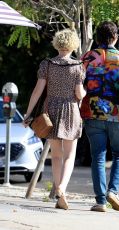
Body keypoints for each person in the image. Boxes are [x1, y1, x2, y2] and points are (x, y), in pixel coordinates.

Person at [23, 28, 86, 210]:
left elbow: (37, 91)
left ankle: (59, 193)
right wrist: (85, 92)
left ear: (57, 43)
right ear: (73, 44)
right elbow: (79, 94)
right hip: (70, 111)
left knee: (56, 155)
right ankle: (61, 189)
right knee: (69, 155)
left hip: (50, 110)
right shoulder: (77, 66)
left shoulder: (47, 64)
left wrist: (28, 114)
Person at [80, 21, 119, 212]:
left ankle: (100, 201)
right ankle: (113, 191)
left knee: (98, 156)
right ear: (115, 37)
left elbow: (78, 86)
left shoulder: (87, 58)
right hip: (117, 115)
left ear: (96, 38)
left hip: (92, 113)